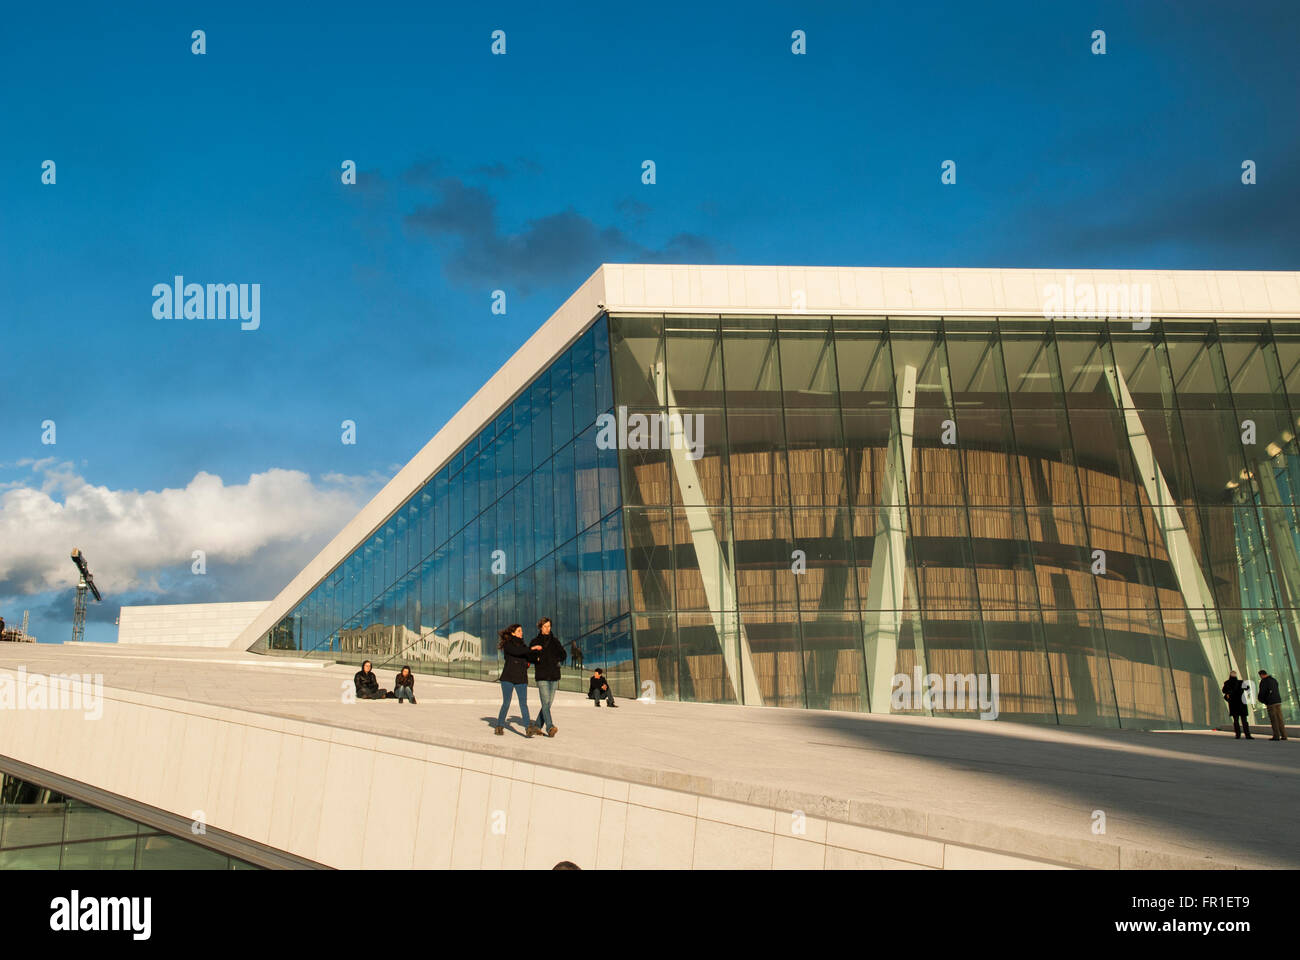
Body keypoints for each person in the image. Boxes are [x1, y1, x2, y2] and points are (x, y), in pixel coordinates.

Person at [497, 625, 538, 737]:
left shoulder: (524, 646)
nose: (521, 633)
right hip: (508, 678)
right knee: (506, 703)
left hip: (521, 678)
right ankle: (499, 726)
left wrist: (536, 658)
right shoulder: (508, 645)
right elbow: (516, 652)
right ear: (513, 633)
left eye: (522, 631)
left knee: (523, 703)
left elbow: (528, 656)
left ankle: (528, 728)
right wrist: (531, 649)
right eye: (519, 631)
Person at [531, 617, 566, 738]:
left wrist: (557, 659)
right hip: (542, 676)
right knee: (545, 703)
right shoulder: (535, 641)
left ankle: (536, 726)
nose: (547, 628)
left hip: (554, 676)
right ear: (540, 627)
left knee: (548, 703)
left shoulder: (555, 641)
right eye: (545, 626)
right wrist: (537, 657)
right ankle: (550, 726)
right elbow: (530, 656)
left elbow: (563, 654)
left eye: (549, 626)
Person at [1258, 669, 1288, 740]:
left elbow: (1262, 693)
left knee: (1274, 720)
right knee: (1280, 719)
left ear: (1261, 675)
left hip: (1271, 703)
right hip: (1278, 701)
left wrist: (1263, 700)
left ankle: (1276, 736)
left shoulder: (1264, 681)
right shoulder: (1274, 680)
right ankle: (1284, 735)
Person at [1222, 670, 1252, 739]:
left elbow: (1224, 691)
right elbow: (1248, 688)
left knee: (1236, 720)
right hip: (1242, 704)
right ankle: (1247, 735)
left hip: (1233, 704)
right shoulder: (1241, 682)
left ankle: (1238, 735)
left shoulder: (1227, 683)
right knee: (1244, 720)